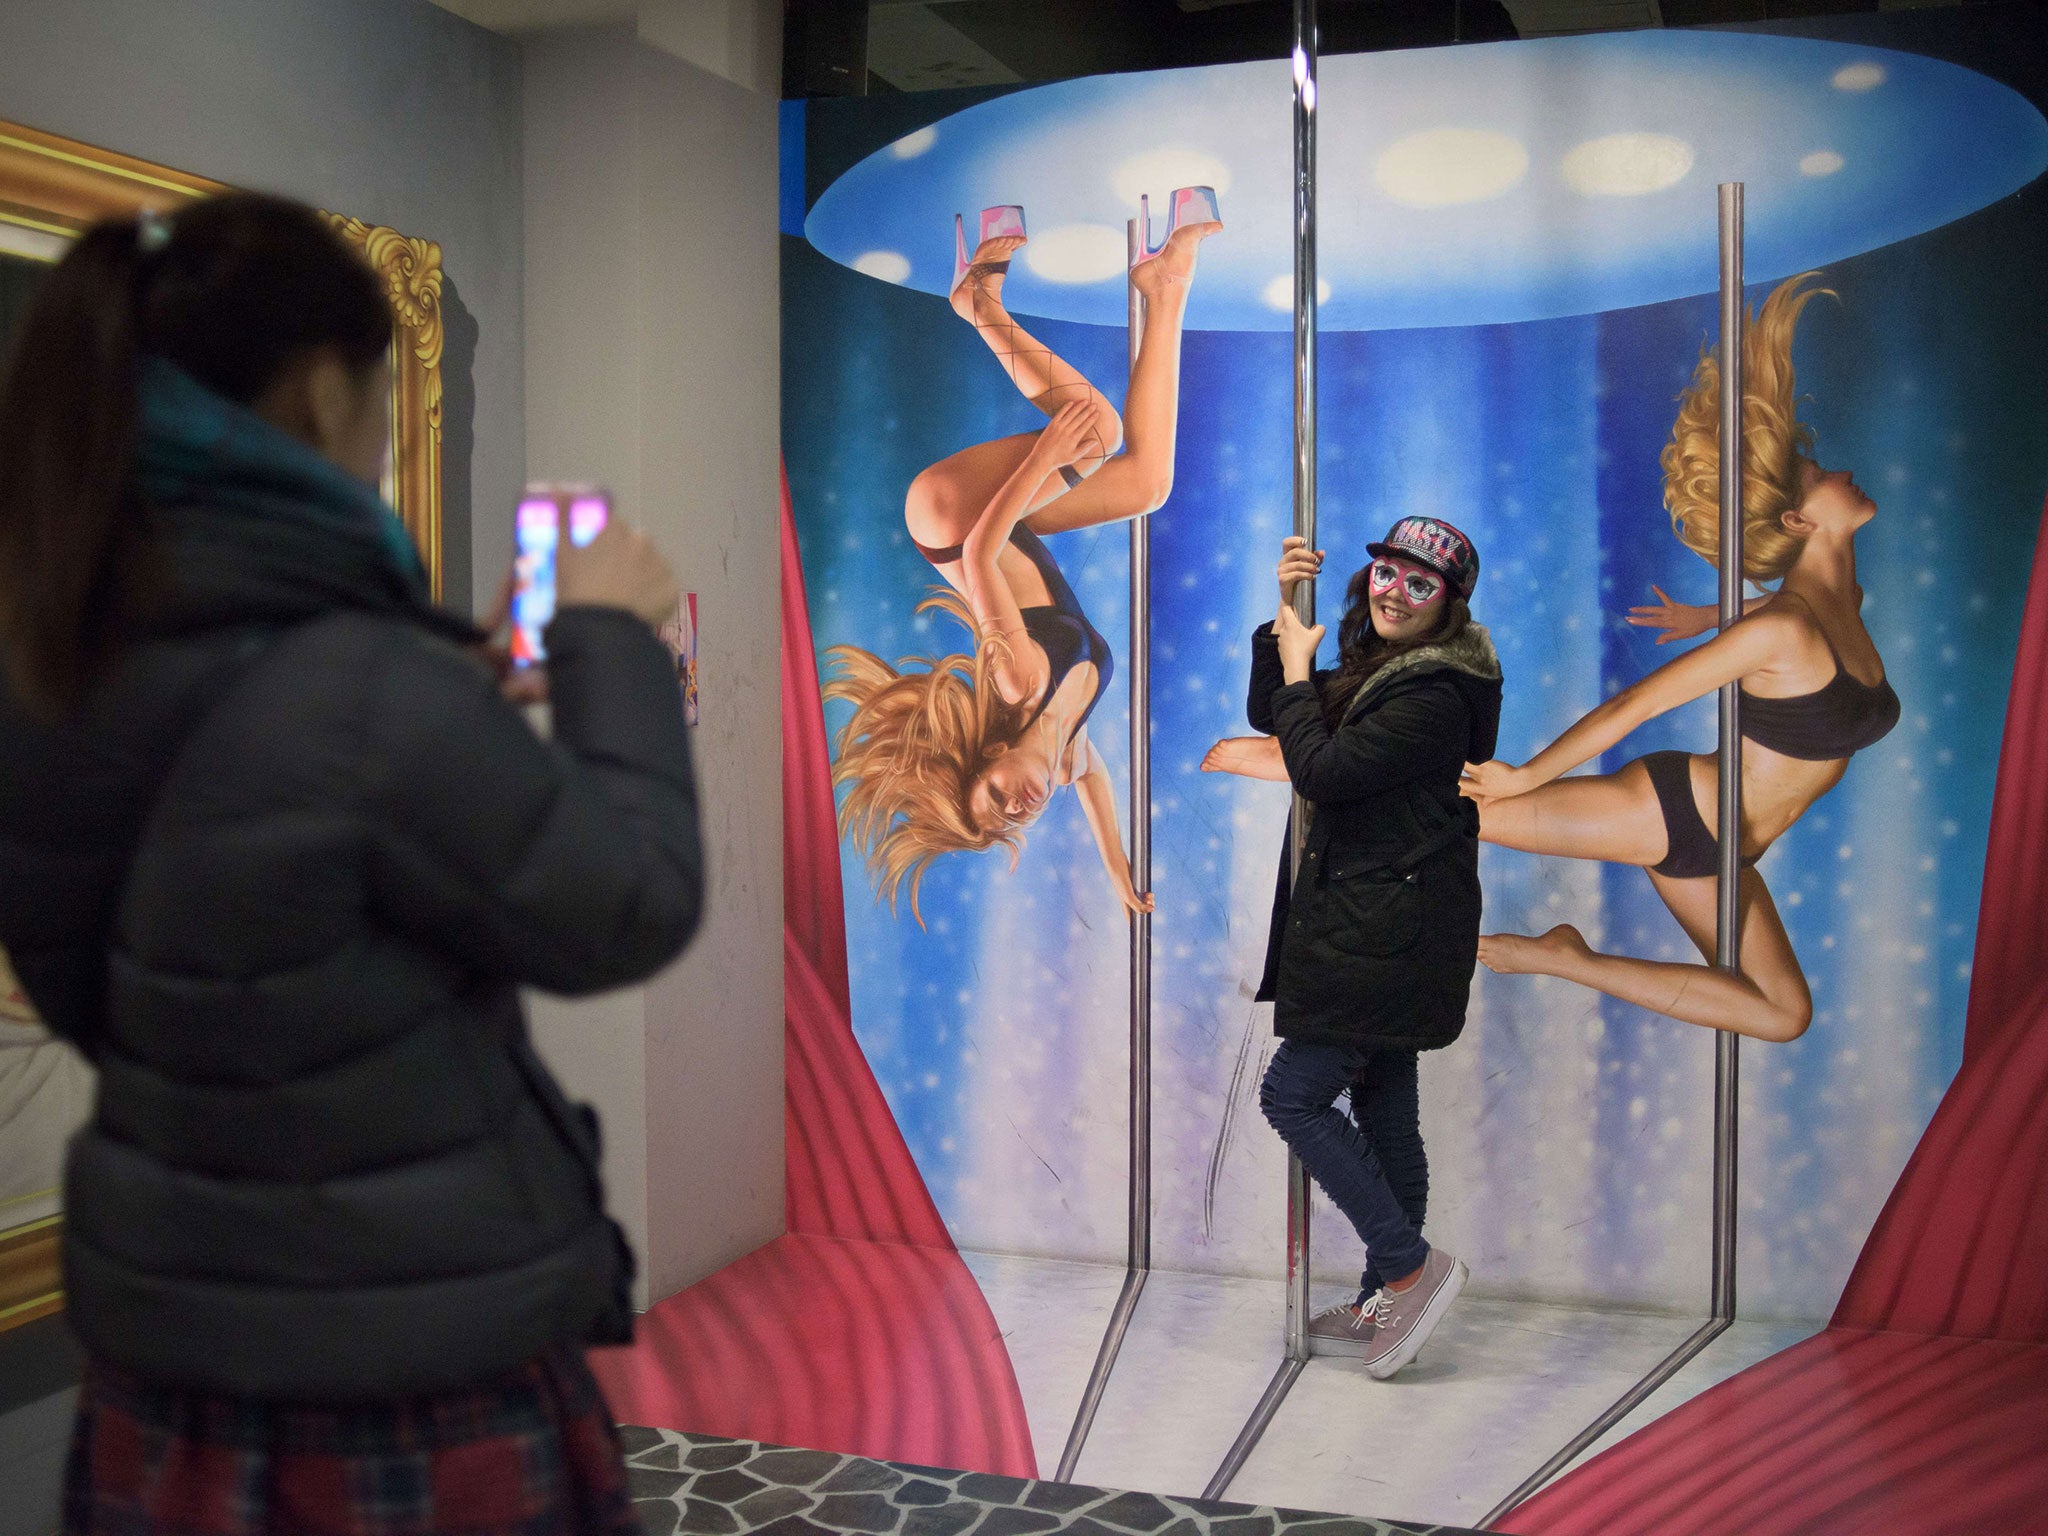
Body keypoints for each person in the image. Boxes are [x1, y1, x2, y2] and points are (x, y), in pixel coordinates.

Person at [0, 194, 702, 1536]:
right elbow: (630, 904)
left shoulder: (53, 665)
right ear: (327, 393)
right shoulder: (363, 696)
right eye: (381, 395)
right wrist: (610, 644)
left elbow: (153, 964)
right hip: (406, 1389)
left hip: (162, 1385)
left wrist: (439, 711)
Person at [1459, 274, 1896, 1044]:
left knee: (1783, 1015)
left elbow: (1783, 616)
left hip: (1729, 849)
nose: (1844, 474)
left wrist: (1705, 615)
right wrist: (1530, 773)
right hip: (1676, 812)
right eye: (1823, 478)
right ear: (1799, 519)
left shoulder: (1831, 607)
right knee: (1462, 810)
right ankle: (1297, 758)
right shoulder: (1787, 628)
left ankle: (1567, 959)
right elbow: (1639, 705)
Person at [824, 192, 1221, 921]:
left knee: (1093, 426)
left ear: (986, 759)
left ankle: (976, 303)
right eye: (1014, 820)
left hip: (952, 522)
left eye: (995, 796)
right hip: (999, 527)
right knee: (1148, 484)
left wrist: (1045, 456)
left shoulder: (1016, 684)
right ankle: (1165, 285)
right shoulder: (1064, 750)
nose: (1021, 803)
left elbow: (978, 557)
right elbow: (1095, 785)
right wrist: (1117, 871)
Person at [1231, 517, 1502, 1380]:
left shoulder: (1437, 695)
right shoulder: (1386, 670)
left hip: (1382, 931)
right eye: (1386, 572)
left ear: (1450, 608)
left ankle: (1409, 1269)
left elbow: (1326, 771)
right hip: (1378, 923)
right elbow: (1272, 714)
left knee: (1294, 1097)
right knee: (1385, 1108)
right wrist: (1285, 619)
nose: (1393, 593)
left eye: (1420, 586)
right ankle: (1385, 1296)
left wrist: (1303, 670)